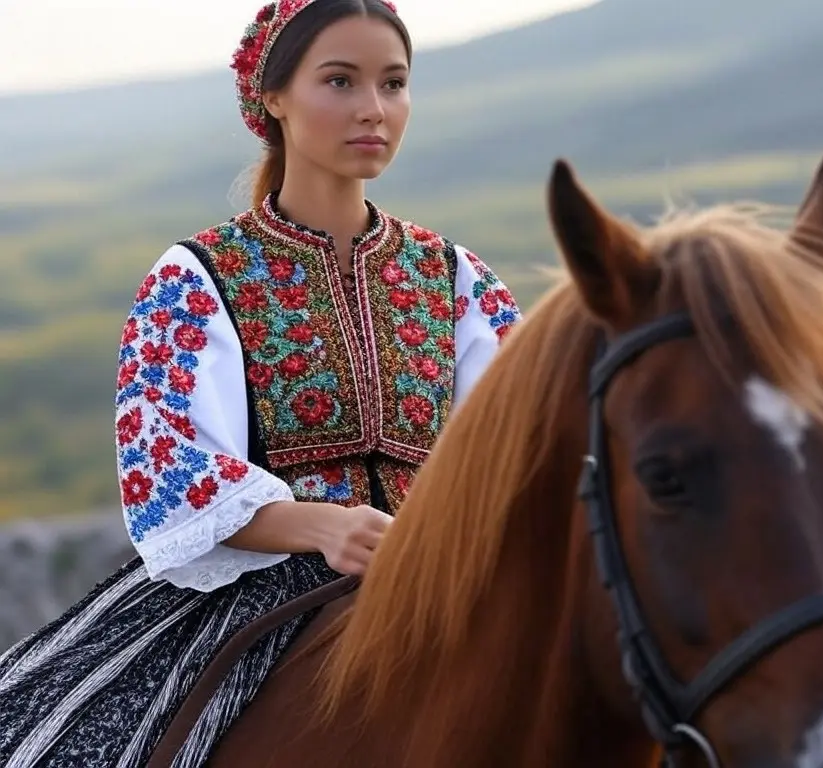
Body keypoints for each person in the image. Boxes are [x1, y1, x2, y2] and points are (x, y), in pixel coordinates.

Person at [0, 1, 521, 765]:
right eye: (339, 81)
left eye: (394, 83)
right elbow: (167, 471)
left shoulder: (458, 279)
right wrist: (324, 525)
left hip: (444, 579)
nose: (373, 109)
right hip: (264, 592)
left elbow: (521, 446)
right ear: (271, 98)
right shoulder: (197, 278)